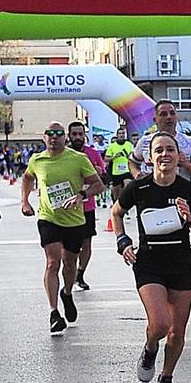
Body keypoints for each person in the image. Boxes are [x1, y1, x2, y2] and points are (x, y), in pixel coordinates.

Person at [114, 132, 191, 383]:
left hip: (181, 263)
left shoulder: (187, 190)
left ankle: (166, 378)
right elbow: (117, 212)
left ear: (178, 156)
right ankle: (150, 347)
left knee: (177, 332)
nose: (165, 155)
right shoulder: (139, 188)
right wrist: (123, 241)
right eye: (159, 150)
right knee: (160, 325)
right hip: (149, 263)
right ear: (150, 157)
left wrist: (189, 219)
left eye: (170, 150)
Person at [18, 122, 101, 336]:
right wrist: (25, 201)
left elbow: (98, 184)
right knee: (52, 262)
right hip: (48, 217)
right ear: (44, 138)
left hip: (74, 220)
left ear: (65, 138)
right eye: (50, 134)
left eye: (58, 134)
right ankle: (54, 313)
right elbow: (27, 177)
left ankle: (67, 292)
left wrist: (81, 195)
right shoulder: (37, 160)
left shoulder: (78, 159)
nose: (54, 138)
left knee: (70, 264)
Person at [68, 120, 106, 290]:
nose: (77, 137)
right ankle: (69, 272)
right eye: (74, 134)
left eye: (80, 134)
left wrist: (98, 173)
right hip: (68, 208)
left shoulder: (93, 153)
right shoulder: (64, 154)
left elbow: (103, 179)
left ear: (85, 135)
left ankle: (80, 274)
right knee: (69, 246)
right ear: (69, 136)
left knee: (86, 243)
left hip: (87, 206)